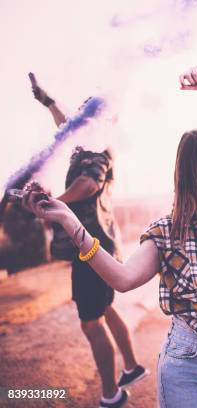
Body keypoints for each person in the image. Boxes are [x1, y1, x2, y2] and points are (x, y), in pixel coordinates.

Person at [22, 65, 197, 408]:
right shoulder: (168, 232)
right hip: (189, 368)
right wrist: (69, 222)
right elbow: (122, 279)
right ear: (192, 176)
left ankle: (126, 373)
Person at [27, 79, 149, 408]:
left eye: (85, 116)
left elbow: (88, 184)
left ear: (98, 122)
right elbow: (65, 127)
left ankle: (111, 395)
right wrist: (49, 101)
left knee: (90, 321)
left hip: (93, 249)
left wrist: (52, 207)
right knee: (104, 307)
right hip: (98, 247)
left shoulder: (98, 149)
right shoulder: (86, 145)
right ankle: (132, 366)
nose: (78, 122)